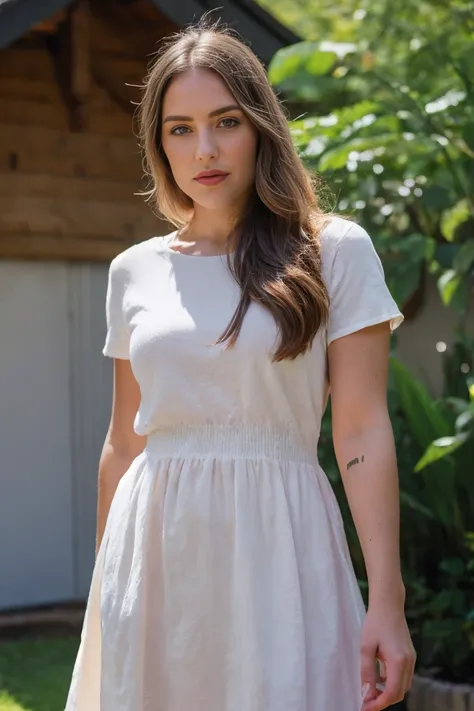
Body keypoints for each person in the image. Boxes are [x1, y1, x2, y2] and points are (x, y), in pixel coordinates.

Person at [64, 17, 416, 711]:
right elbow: (124, 442)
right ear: (159, 146)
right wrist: (107, 591)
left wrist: (389, 598)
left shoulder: (334, 251)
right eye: (180, 129)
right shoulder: (134, 271)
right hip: (155, 556)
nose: (206, 148)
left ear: (260, 126)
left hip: (282, 545)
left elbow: (362, 430)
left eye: (226, 121)